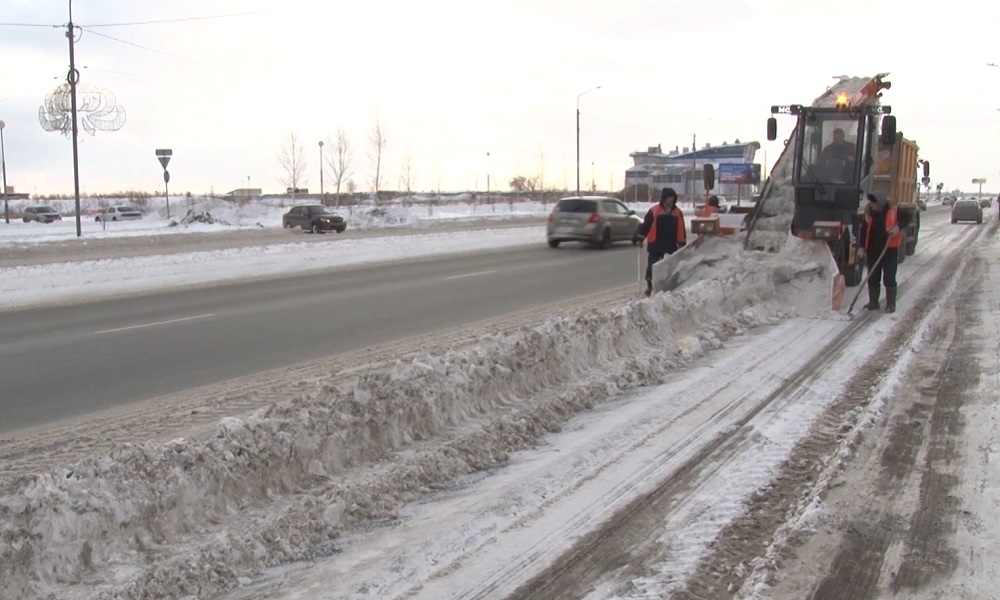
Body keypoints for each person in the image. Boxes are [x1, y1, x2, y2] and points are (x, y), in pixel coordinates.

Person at [858, 192, 911, 313]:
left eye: (873, 202)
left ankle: (890, 304)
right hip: (872, 250)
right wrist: (861, 247)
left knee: (889, 277)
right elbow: (863, 231)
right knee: (873, 276)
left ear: (880, 203)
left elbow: (908, 217)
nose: (871, 205)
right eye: (870, 202)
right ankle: (873, 303)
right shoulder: (868, 213)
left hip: (889, 249)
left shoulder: (894, 210)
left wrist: (898, 228)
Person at [633, 187, 687, 296]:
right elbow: (646, 226)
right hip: (656, 244)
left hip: (670, 244)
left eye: (673, 198)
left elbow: (681, 227)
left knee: (670, 268)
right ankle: (650, 286)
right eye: (669, 198)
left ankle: (667, 287)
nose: (671, 201)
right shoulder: (654, 210)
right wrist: (639, 238)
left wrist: (681, 241)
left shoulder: (677, 212)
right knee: (652, 267)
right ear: (664, 198)